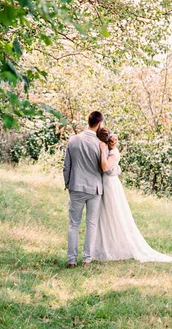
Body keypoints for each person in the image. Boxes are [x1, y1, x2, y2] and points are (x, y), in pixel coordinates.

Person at [92, 129, 172, 264]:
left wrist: (101, 151)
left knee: (115, 214)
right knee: (104, 216)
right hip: (103, 184)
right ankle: (105, 246)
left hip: (110, 186)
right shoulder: (106, 151)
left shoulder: (113, 153)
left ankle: (117, 247)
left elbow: (105, 168)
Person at [63, 111, 104, 268]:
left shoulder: (73, 140)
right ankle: (87, 259)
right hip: (94, 189)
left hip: (76, 186)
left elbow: (67, 166)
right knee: (91, 223)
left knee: (73, 224)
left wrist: (68, 184)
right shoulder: (100, 144)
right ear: (99, 124)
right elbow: (104, 167)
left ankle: (71, 260)